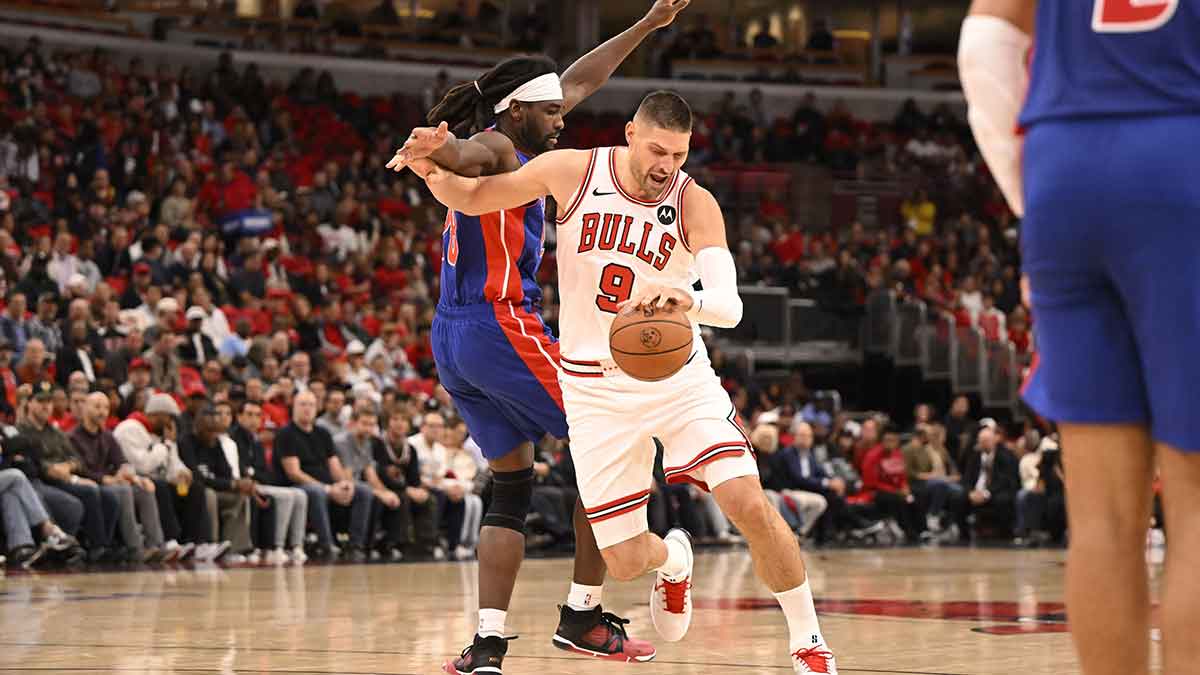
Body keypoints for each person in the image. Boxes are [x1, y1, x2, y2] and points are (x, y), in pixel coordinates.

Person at [405, 90, 838, 674]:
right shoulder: (574, 170)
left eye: (679, 156)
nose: (667, 166)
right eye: (658, 150)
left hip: (678, 382)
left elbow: (729, 305)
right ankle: (674, 559)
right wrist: (429, 166)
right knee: (628, 560)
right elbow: (475, 197)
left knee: (747, 502)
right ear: (631, 134)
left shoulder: (694, 203)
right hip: (595, 391)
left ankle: (808, 642)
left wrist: (687, 297)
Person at [389, 2, 693, 670]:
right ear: (517, 111)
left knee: (514, 486)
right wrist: (441, 149)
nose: (565, 118)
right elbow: (472, 152)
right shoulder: (501, 146)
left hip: (454, 338)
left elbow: (579, 80)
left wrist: (645, 27)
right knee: (609, 444)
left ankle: (489, 642)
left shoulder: (527, 132)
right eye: (551, 112)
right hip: (498, 321)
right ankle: (582, 616)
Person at [962, 4, 1200, 673]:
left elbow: (984, 45)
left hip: (1065, 163)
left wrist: (1033, 199)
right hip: (1184, 147)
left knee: (1100, 519)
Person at [276, 390, 373, 562]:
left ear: (317, 408)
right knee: (317, 492)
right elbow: (294, 473)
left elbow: (334, 466)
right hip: (298, 486)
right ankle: (327, 545)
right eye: (303, 404)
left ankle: (355, 545)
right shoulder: (286, 433)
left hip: (327, 485)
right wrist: (328, 489)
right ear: (294, 407)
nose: (307, 408)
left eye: (311, 405)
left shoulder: (323, 433)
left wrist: (345, 483)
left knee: (363, 491)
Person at [225, 400, 309, 564]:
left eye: (258, 415)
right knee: (287, 496)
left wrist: (253, 472)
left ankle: (296, 546)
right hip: (245, 486)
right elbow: (240, 470)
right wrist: (253, 473)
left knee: (300, 494)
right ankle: (276, 547)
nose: (254, 419)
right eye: (249, 415)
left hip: (260, 484)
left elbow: (265, 473)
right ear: (239, 417)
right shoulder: (232, 440)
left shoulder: (256, 442)